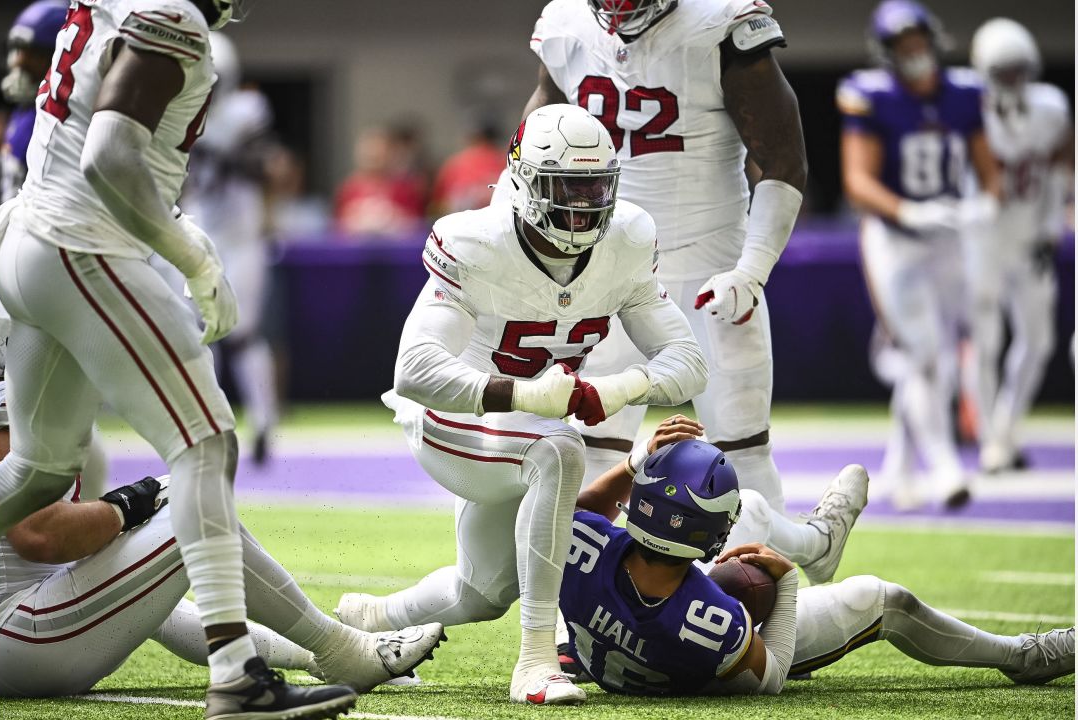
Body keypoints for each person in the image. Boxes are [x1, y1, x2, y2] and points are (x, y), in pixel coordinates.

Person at [0, 1, 342, 716]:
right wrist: (193, 254)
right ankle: (238, 674)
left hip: (29, 236)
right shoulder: (171, 16)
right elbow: (110, 152)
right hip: (83, 245)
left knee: (40, 468)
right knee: (205, 445)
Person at [335, 104, 709, 706]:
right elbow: (414, 369)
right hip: (457, 420)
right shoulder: (474, 239)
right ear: (526, 180)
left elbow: (688, 359)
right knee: (560, 451)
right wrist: (523, 394)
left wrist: (616, 389)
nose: (586, 202)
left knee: (482, 591)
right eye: (569, 186)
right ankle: (537, 660)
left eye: (596, 185)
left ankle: (369, 619)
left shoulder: (628, 238)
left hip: (526, 426)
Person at [524, 1, 828, 568]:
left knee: (741, 449)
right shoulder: (566, 24)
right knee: (588, 451)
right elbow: (533, 148)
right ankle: (581, 615)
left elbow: (785, 159)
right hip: (606, 266)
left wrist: (751, 269)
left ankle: (773, 615)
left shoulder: (723, 23)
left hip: (710, 262)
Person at [557, 416, 1074, 695]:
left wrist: (633, 462)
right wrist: (783, 585)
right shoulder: (712, 617)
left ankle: (820, 544)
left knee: (755, 510)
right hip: (712, 654)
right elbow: (772, 675)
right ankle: (1023, 657)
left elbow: (571, 515)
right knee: (882, 599)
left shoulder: (581, 548)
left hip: (623, 636)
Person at [0, 382, 443, 704]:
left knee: (164, 537)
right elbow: (40, 535)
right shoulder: (2, 395)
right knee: (194, 499)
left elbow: (140, 598)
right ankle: (337, 650)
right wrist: (126, 507)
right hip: (13, 633)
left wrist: (126, 510)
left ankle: (319, 652)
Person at [838, 0, 1003, 510]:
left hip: (951, 236)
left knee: (941, 355)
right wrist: (907, 212)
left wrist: (985, 202)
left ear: (933, 41)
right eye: (902, 46)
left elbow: (988, 168)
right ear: (887, 53)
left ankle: (901, 462)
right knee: (924, 352)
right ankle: (947, 465)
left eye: (918, 43)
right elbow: (858, 181)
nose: (914, 54)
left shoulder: (966, 93)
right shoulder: (871, 96)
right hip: (896, 237)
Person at [967, 18, 1073, 473]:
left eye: (1018, 69)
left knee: (1039, 340)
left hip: (1030, 236)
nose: (1012, 79)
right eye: (1003, 70)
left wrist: (1051, 228)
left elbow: (1058, 173)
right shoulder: (969, 106)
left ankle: (1007, 427)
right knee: (985, 339)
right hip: (983, 238)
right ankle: (992, 438)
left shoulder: (1050, 106)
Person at [180, 32, 280, 464]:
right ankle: (210, 426)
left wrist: (223, 151)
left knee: (241, 335)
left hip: (241, 239)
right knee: (200, 336)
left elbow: (264, 167)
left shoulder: (245, 112)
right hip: (196, 235)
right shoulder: (178, 113)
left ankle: (263, 422)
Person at [0, 1, 68, 203]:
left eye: (34, 53)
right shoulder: (24, 109)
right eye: (19, 50)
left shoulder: (59, 122)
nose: (20, 61)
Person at [429, 122, 509, 216]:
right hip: (500, 222)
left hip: (461, 222)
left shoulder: (457, 162)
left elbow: (438, 201)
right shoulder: (507, 161)